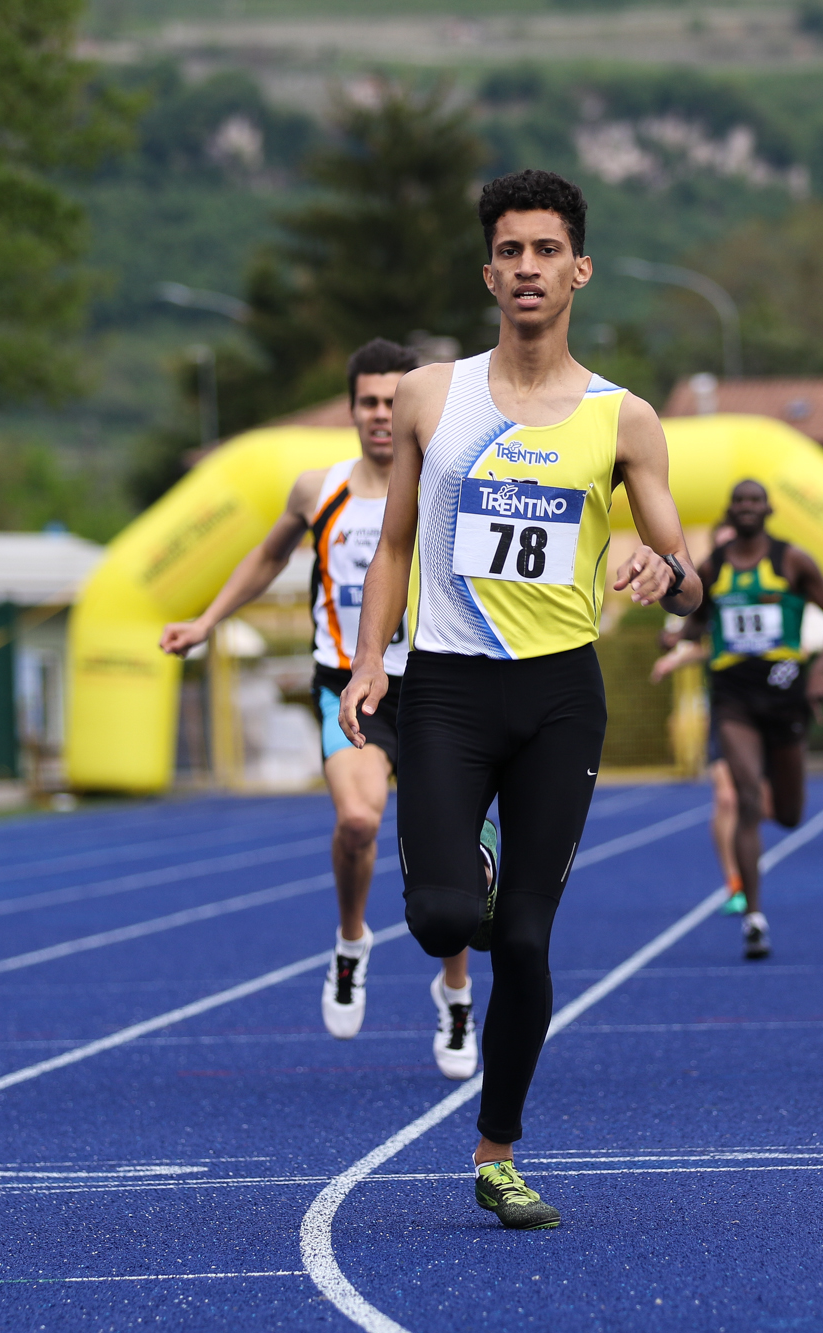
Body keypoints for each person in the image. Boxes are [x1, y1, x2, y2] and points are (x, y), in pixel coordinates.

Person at [338, 169, 700, 1231]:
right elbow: (393, 545)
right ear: (487, 273)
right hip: (446, 689)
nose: (527, 268)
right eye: (510, 251)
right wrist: (368, 662)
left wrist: (659, 568)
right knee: (444, 918)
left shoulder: (624, 419)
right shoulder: (429, 396)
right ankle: (473, 867)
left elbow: (687, 574)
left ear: (579, 269)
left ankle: (497, 1152)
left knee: (527, 945)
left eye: (546, 250)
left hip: (557, 700)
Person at [160, 338, 492, 1083]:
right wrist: (207, 620)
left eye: (391, 401)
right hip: (349, 685)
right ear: (351, 409)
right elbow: (268, 556)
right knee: (359, 821)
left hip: (438, 686)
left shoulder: (447, 483)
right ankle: (351, 943)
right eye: (368, 401)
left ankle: (455, 993)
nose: (380, 414)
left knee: (447, 848)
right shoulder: (319, 489)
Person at [675, 479, 823, 960]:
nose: (747, 507)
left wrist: (820, 669)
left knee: (789, 814)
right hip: (733, 698)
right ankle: (754, 917)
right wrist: (677, 638)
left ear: (768, 509)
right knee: (746, 798)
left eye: (755, 501)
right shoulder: (714, 567)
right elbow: (698, 618)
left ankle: (769, 814)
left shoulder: (792, 561)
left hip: (785, 696)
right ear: (730, 511)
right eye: (739, 501)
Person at [650, 522, 768, 916]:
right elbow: (699, 642)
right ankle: (734, 883)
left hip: (765, 703)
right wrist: (674, 653)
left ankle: (748, 866)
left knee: (761, 802)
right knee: (726, 798)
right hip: (725, 705)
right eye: (721, 546)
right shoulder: (710, 594)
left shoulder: (765, 588)